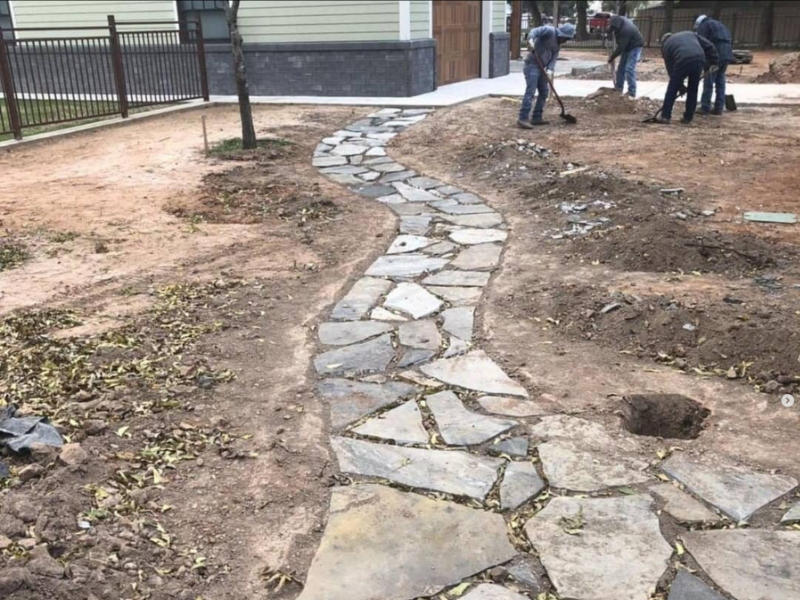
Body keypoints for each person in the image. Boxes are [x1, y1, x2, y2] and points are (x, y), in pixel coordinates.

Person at [518, 23, 576, 129]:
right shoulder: (549, 31)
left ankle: (536, 117)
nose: (566, 41)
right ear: (561, 34)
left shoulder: (557, 46)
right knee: (531, 91)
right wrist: (530, 40)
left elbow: (553, 59)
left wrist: (550, 69)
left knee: (544, 92)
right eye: (565, 38)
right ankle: (523, 118)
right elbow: (534, 31)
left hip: (542, 68)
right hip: (532, 65)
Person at [658, 31, 718, 124]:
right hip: (699, 58)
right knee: (693, 89)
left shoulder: (666, 46)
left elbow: (671, 70)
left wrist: (679, 86)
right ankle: (688, 117)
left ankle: (665, 116)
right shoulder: (690, 34)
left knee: (672, 89)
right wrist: (714, 61)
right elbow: (710, 46)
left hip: (682, 59)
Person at [694, 14, 734, 115]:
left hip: (715, 56)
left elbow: (702, 43)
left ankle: (705, 107)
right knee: (720, 81)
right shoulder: (720, 25)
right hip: (726, 55)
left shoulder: (704, 26)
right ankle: (719, 108)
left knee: (709, 82)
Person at [607, 15, 644, 98]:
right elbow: (612, 29)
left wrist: (612, 57)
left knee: (629, 68)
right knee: (621, 68)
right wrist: (608, 32)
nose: (614, 30)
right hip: (627, 46)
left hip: (635, 46)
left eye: (615, 28)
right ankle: (619, 88)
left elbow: (621, 47)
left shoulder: (626, 30)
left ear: (619, 26)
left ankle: (632, 92)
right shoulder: (617, 22)